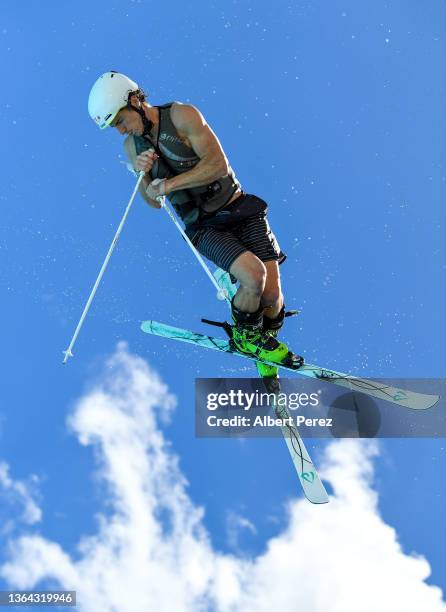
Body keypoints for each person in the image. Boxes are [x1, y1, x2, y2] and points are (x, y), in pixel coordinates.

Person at [88, 71, 303, 376]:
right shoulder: (131, 148)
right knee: (254, 277)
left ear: (134, 101)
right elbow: (154, 202)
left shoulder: (181, 116)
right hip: (204, 227)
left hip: (239, 207)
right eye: (114, 127)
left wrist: (168, 184)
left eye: (120, 120)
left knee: (272, 297)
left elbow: (217, 165)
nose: (121, 130)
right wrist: (143, 178)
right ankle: (246, 337)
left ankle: (263, 340)